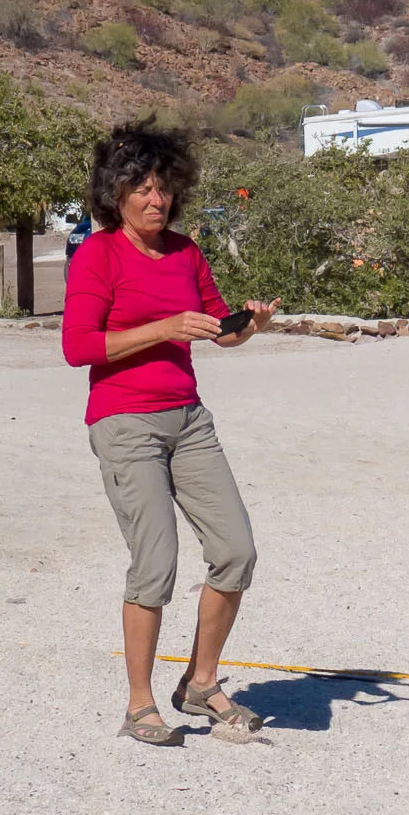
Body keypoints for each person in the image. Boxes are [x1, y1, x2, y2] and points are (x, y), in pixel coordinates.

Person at [61, 123, 278, 746]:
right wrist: (163, 328)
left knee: (236, 551)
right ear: (116, 193)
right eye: (142, 189)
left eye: (164, 190)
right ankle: (139, 705)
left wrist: (249, 326)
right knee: (154, 563)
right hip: (124, 421)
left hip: (188, 418)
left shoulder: (186, 252)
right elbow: (79, 348)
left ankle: (201, 683)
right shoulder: (98, 254)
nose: (156, 201)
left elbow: (213, 329)